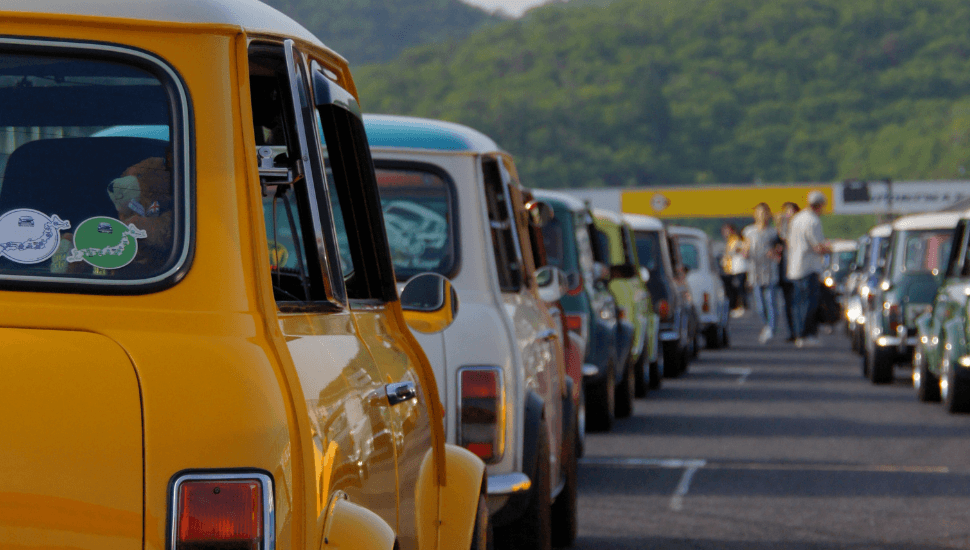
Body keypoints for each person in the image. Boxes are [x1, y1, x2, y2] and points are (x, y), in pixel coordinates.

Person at [787, 191, 831, 347]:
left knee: (798, 303)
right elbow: (818, 246)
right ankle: (806, 335)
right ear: (819, 205)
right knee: (809, 303)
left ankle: (798, 334)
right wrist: (829, 249)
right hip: (808, 267)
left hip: (794, 266)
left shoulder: (797, 219)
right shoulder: (813, 221)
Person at [742, 203, 782, 344]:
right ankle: (766, 325)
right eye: (759, 212)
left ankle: (771, 328)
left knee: (771, 301)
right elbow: (745, 247)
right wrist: (744, 252)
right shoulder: (749, 231)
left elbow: (779, 248)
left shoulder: (772, 232)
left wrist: (775, 252)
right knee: (759, 305)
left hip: (770, 271)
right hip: (755, 271)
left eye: (765, 212)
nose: (762, 215)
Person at [776, 202, 799, 342]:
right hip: (785, 271)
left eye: (791, 211)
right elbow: (778, 242)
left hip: (799, 270)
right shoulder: (781, 229)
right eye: (786, 212)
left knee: (799, 303)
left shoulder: (801, 227)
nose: (788, 214)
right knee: (788, 304)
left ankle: (800, 331)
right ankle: (792, 331)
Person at [721, 223, 748, 317]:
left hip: (740, 268)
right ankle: (737, 307)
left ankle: (742, 307)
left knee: (740, 289)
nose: (725, 233)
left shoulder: (736, 239)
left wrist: (733, 252)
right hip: (733, 269)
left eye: (727, 230)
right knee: (735, 289)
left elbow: (739, 250)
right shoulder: (730, 241)